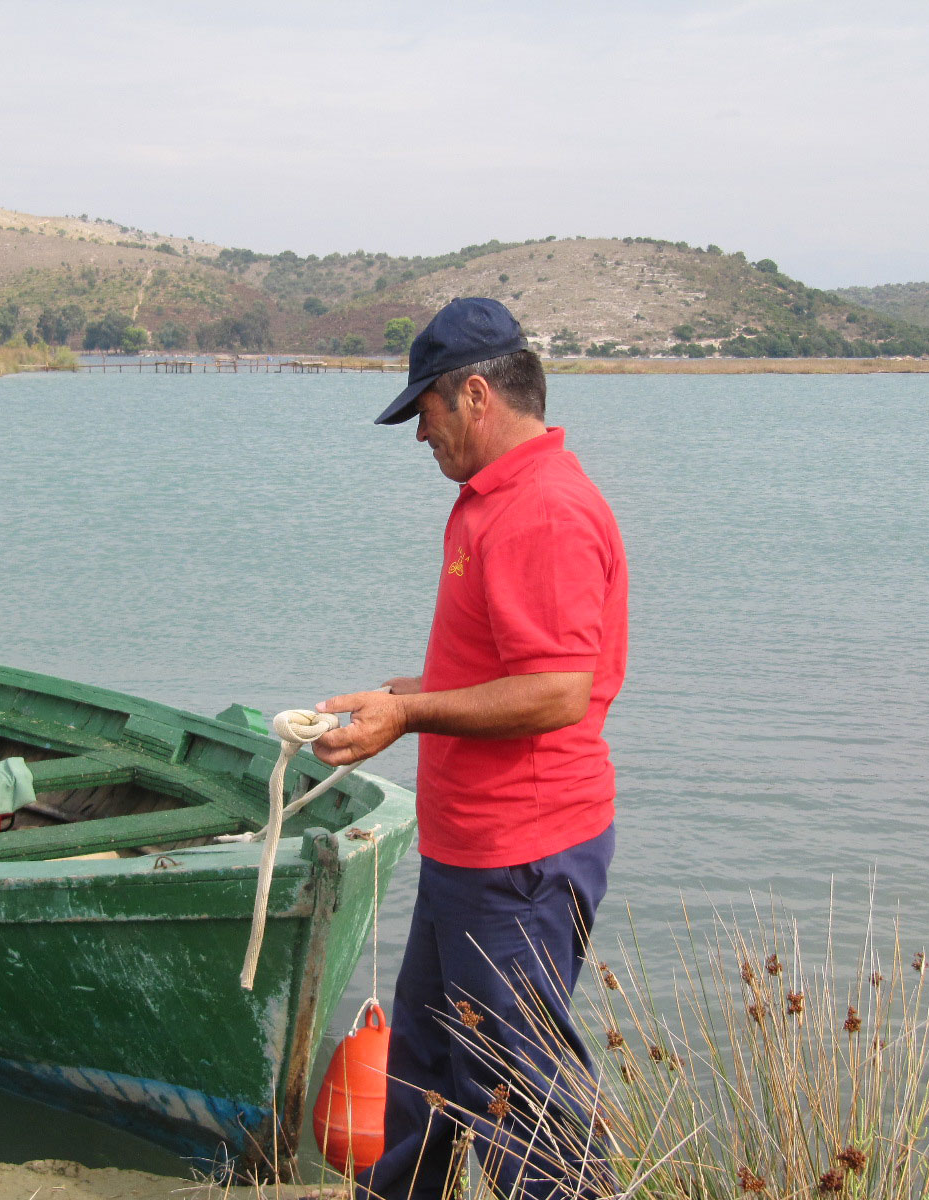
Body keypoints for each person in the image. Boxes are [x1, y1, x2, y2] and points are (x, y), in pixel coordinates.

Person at [313, 298, 628, 1200]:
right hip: (471, 853)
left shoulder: (544, 511)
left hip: (519, 856)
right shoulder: (494, 499)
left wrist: (408, 720)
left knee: (519, 1100)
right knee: (426, 1078)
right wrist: (405, 695)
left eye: (427, 412)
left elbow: (560, 690)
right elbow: (505, 665)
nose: (421, 437)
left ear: (477, 394)